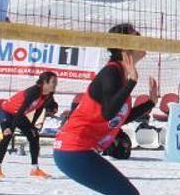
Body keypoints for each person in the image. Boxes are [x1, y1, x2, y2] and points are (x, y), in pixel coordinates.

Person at [54, 23, 158, 195]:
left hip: (78, 150)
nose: (142, 37)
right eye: (137, 34)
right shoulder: (112, 72)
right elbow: (108, 113)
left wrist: (150, 103)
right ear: (125, 45)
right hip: (73, 149)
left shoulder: (121, 74)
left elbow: (118, 118)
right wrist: (132, 82)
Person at [0, 71, 58, 179]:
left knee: (34, 136)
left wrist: (32, 126)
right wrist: (10, 127)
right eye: (53, 82)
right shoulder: (33, 92)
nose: (55, 84)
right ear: (44, 82)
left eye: (56, 82)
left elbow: (39, 108)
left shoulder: (49, 94)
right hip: (6, 111)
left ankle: (35, 169)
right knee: (7, 136)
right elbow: (21, 110)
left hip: (18, 114)